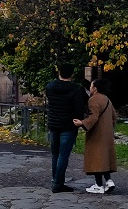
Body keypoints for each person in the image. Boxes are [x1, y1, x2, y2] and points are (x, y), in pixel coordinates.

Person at [45, 63, 88, 193]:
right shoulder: (75, 89)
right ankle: (58, 184)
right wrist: (78, 119)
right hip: (68, 126)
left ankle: (56, 180)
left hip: (53, 124)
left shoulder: (50, 87)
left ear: (59, 72)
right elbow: (79, 107)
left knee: (55, 154)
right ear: (72, 74)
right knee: (63, 155)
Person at [75, 78, 118, 194]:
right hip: (107, 134)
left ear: (95, 88)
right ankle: (109, 181)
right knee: (103, 158)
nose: (90, 88)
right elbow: (114, 116)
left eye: (91, 86)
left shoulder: (93, 100)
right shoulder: (106, 99)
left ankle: (98, 185)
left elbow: (93, 117)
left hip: (96, 134)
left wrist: (82, 123)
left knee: (95, 158)